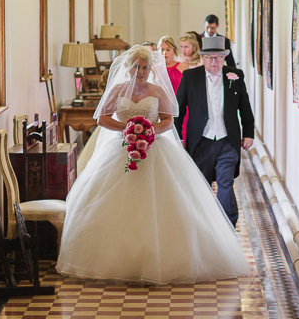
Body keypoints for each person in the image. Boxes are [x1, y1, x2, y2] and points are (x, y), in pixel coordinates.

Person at [57, 44, 249, 284]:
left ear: (151, 68)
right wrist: (126, 129)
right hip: (121, 148)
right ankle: (119, 259)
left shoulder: (158, 91)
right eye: (137, 67)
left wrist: (149, 130)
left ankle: (167, 258)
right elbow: (102, 118)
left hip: (155, 148)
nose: (141, 71)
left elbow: (168, 121)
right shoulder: (117, 90)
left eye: (145, 67)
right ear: (128, 68)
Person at [176, 34, 254, 226]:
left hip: (227, 141)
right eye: (210, 57)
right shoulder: (190, 77)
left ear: (224, 56)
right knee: (201, 186)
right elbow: (178, 110)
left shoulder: (235, 76)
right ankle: (203, 225)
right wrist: (177, 139)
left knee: (225, 183)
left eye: (219, 57)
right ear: (202, 57)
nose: (214, 61)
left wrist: (249, 133)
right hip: (200, 141)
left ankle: (226, 226)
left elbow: (245, 107)